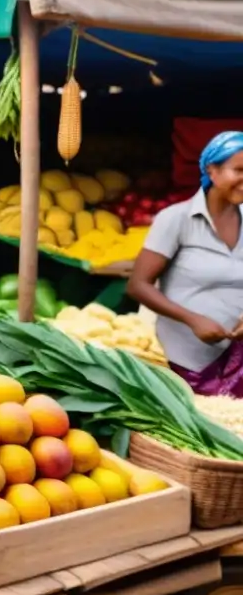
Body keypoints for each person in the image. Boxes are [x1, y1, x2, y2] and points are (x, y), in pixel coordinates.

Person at [128, 131, 243, 396]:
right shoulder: (176, 219)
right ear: (212, 170)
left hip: (236, 358)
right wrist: (193, 320)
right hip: (187, 359)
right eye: (238, 170)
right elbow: (138, 286)